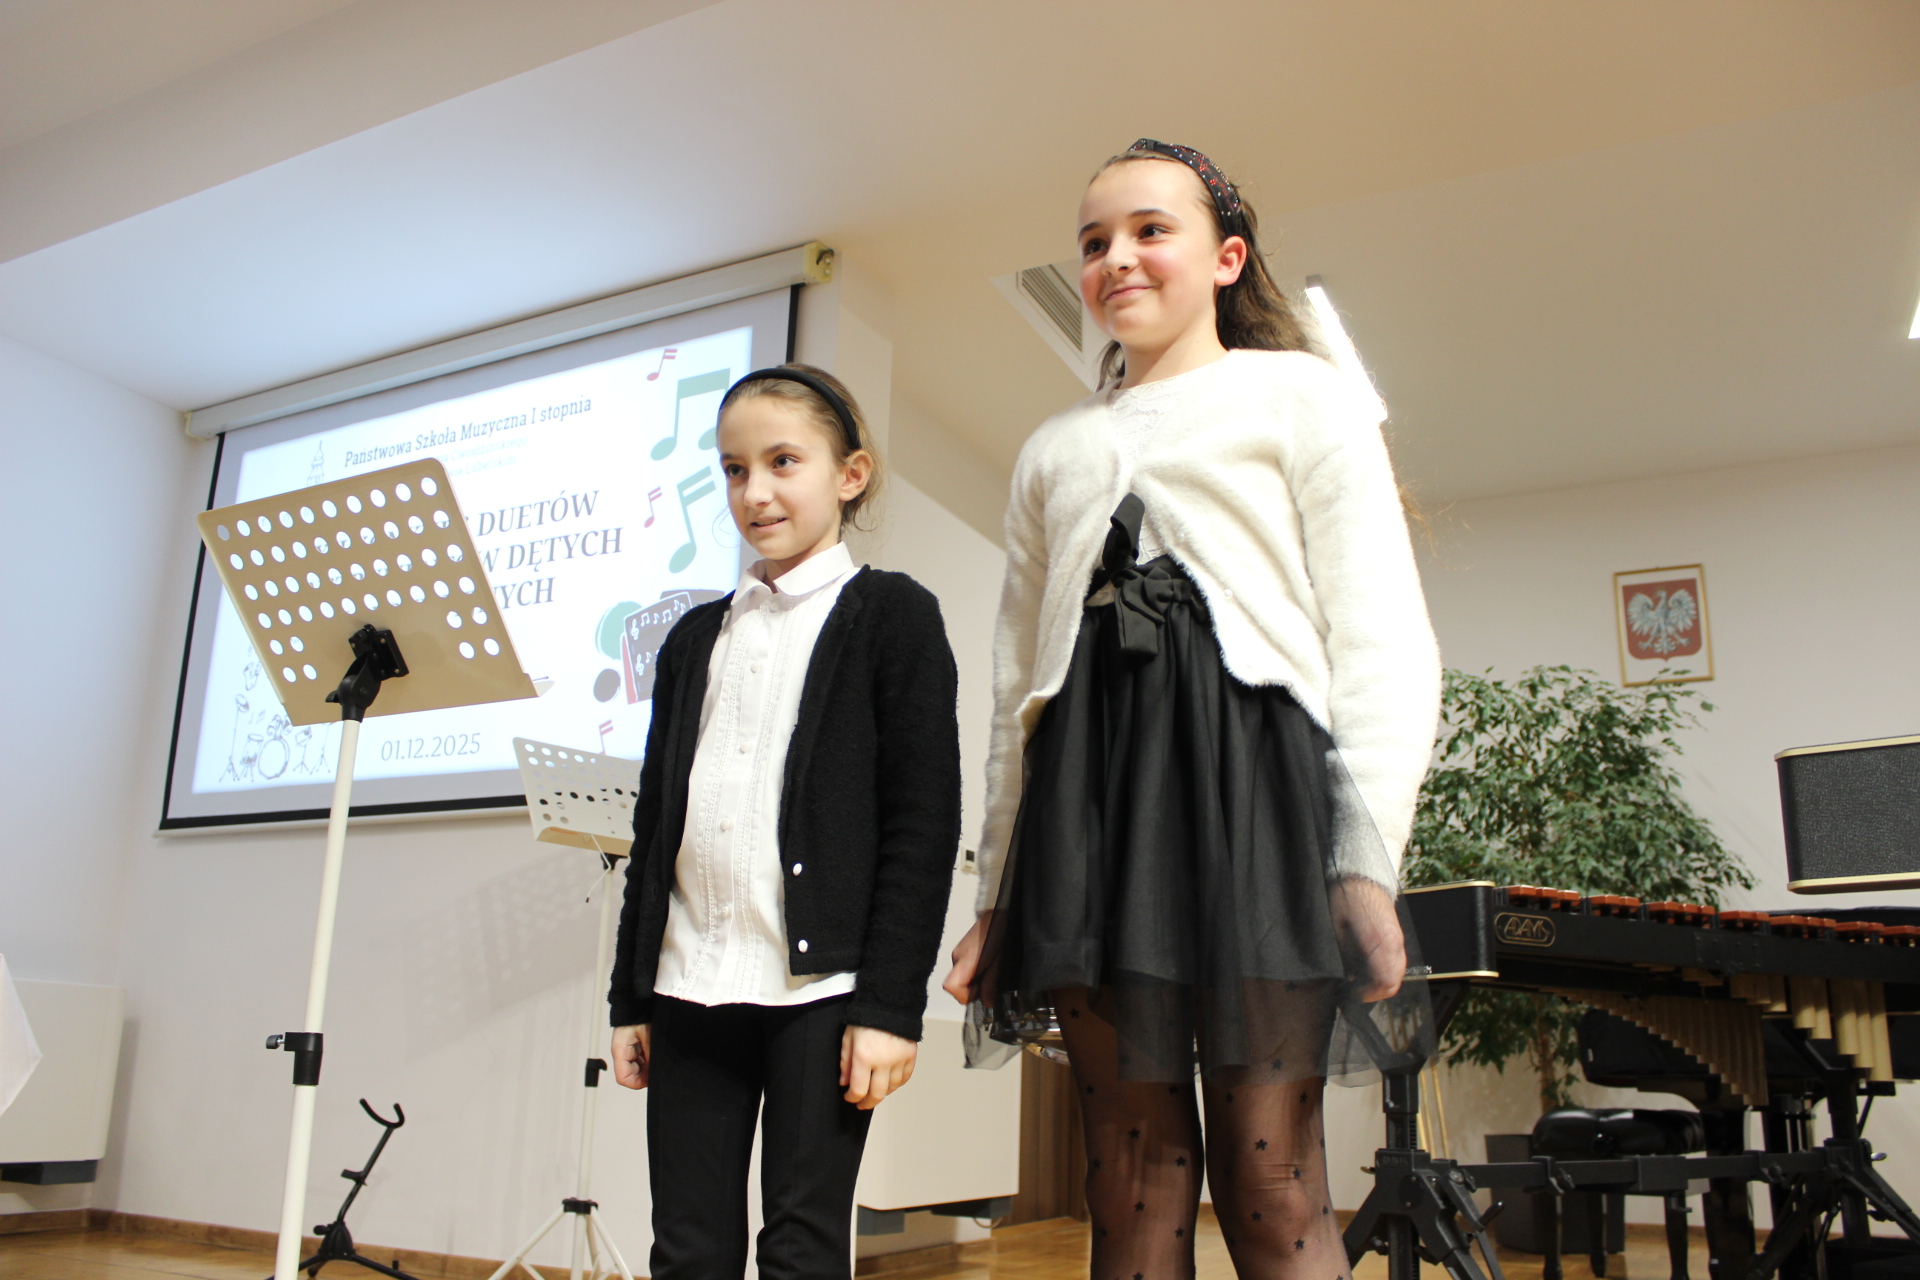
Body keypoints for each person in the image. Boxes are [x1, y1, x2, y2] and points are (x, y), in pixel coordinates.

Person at [942, 140, 1441, 1280]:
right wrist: (996, 894)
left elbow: (1382, 641)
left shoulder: (1302, 395)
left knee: (1272, 1181)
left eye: (1149, 230)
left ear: (1227, 257)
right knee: (1129, 1179)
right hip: (1091, 813)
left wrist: (1366, 862)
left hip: (1256, 800)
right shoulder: (1053, 450)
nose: (1116, 257)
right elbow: (1018, 694)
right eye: (1093, 241)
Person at [609, 363, 961, 1280]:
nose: (754, 492)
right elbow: (656, 830)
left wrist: (891, 1010)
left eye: (782, 462)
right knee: (686, 1251)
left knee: (802, 1249)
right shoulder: (695, 638)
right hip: (689, 983)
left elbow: (921, 830)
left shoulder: (894, 616)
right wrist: (630, 997)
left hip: (821, 995)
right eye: (733, 470)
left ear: (850, 475)